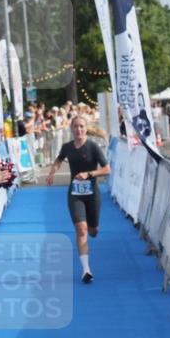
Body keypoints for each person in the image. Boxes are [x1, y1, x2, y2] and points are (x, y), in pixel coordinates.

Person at [46, 116, 110, 284]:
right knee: (81, 230)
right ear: (71, 129)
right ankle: (86, 270)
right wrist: (53, 171)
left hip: (93, 194)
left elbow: (107, 169)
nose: (78, 130)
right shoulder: (67, 147)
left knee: (93, 231)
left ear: (85, 128)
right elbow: (59, 159)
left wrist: (89, 174)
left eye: (81, 127)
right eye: (75, 127)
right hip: (75, 194)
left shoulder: (93, 147)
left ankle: (93, 227)